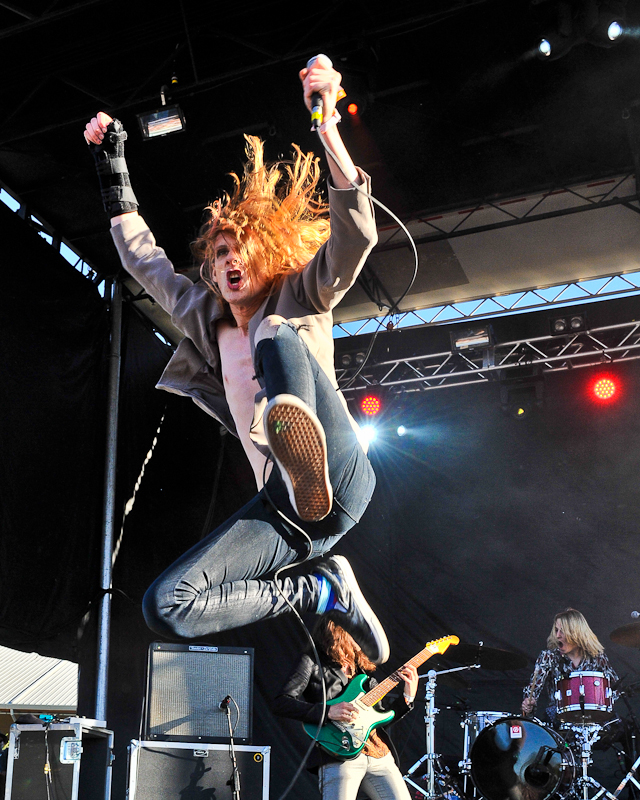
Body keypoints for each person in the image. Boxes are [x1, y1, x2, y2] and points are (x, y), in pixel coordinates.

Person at [83, 56, 390, 664]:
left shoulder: (298, 294)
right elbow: (144, 261)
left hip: (345, 474)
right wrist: (110, 162)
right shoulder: (204, 314)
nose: (228, 262)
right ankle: (320, 587)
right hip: (286, 506)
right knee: (167, 604)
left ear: (265, 254)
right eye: (218, 253)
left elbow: (354, 238)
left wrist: (327, 125)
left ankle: (301, 439)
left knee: (274, 331)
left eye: (239, 250)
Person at [274, 615, 418, 799]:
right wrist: (328, 712)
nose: (366, 638)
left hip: (379, 754)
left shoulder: (362, 670)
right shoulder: (312, 661)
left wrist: (407, 697)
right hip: (338, 753)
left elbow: (381, 718)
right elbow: (281, 703)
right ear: (340, 631)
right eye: (360, 632)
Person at [521, 607, 618, 723]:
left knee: (620, 727)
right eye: (556, 630)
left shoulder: (597, 657)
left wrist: (604, 702)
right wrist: (528, 704)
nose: (557, 635)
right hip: (559, 717)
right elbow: (532, 691)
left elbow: (615, 687)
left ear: (576, 633)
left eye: (562, 631)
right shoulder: (549, 657)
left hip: (592, 718)